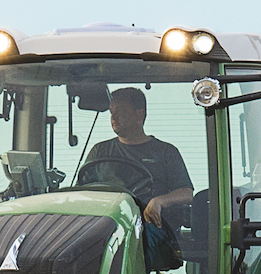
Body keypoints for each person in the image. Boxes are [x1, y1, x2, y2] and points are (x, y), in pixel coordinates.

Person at [79, 88, 195, 221]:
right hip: (107, 227)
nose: (113, 117)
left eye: (120, 111)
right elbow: (82, 193)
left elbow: (186, 194)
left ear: (139, 115)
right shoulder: (99, 151)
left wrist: (158, 201)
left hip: (153, 229)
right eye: (111, 112)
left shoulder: (165, 152)